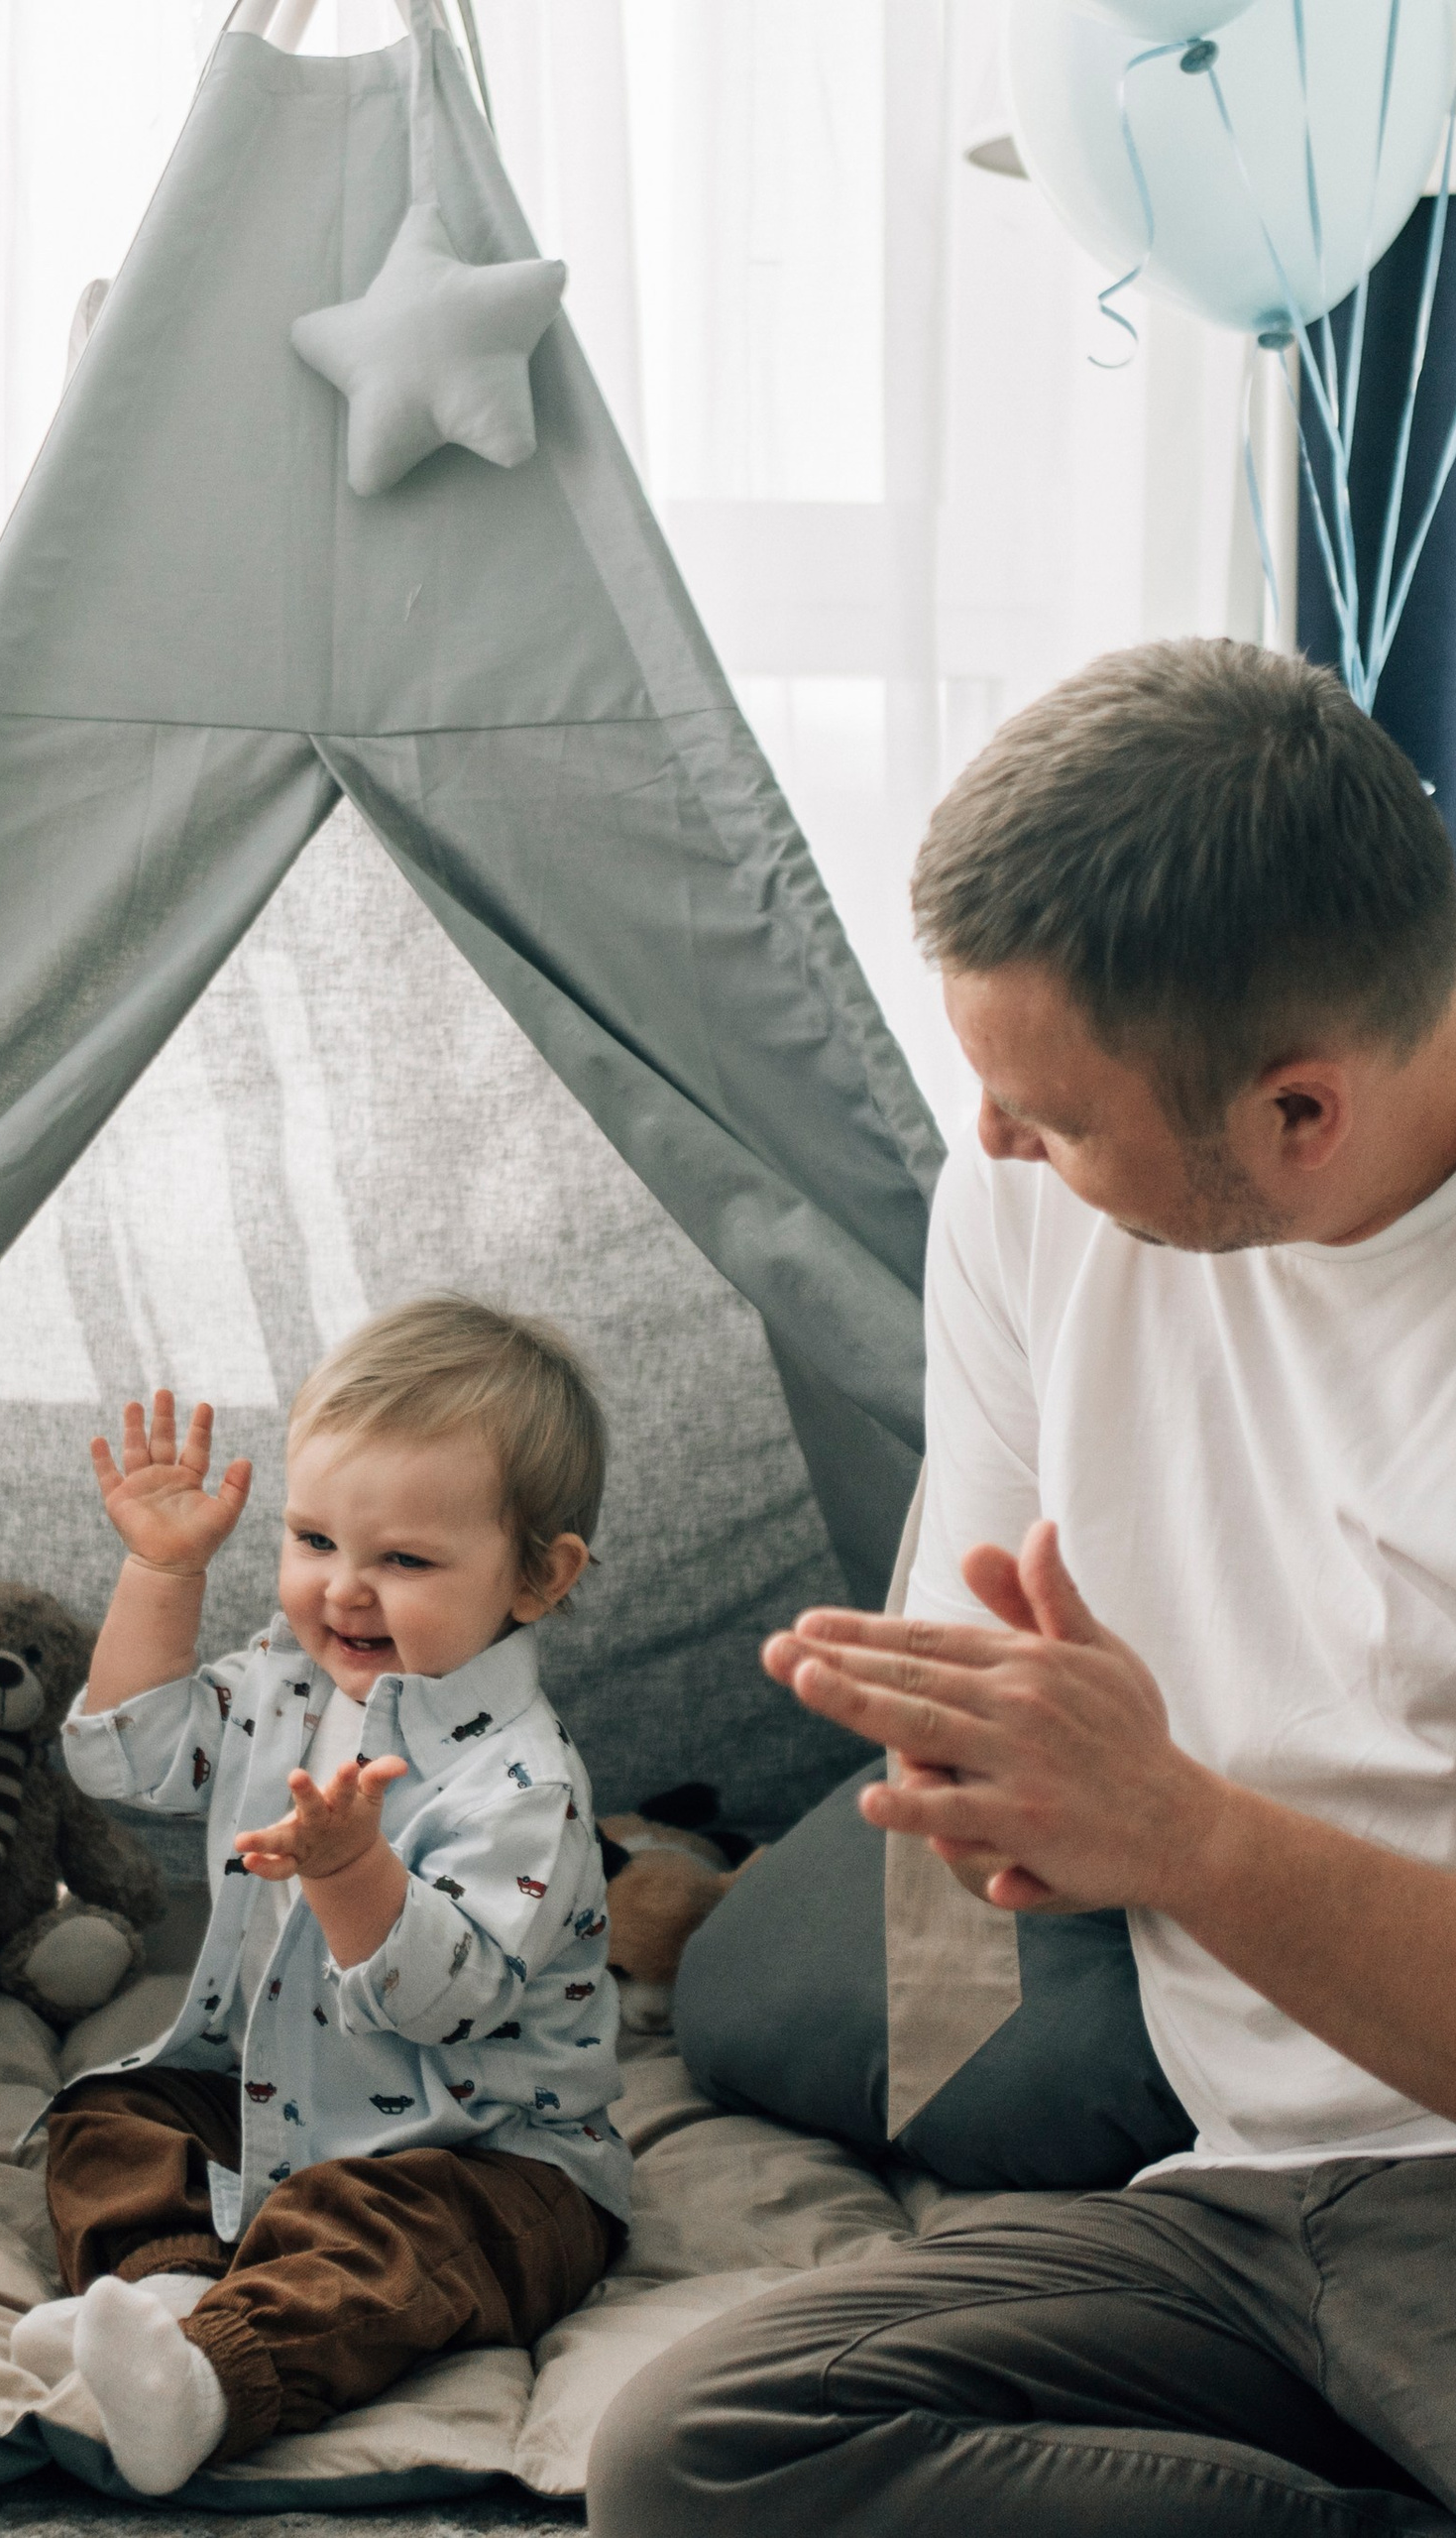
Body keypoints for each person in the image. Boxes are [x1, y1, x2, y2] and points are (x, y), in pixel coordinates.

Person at [587, 636, 1456, 2536]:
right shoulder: (1027, 1202)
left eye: (1052, 1115)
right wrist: (978, 1787)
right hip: (1227, 2173)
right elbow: (973, 1668)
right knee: (690, 2452)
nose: (990, 1146)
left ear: (1301, 1112)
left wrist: (1182, 1835)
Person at [13, 1300, 628, 2496]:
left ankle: (211, 2380)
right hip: (273, 2098)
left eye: (403, 1560)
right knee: (114, 2115)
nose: (343, 1590)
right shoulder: (282, 1681)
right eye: (310, 1538)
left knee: (399, 2241)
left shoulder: (523, 1781)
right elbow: (125, 1758)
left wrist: (351, 1872)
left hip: (486, 2149)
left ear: (539, 1578)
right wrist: (161, 1570)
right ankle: (166, 2295)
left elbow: (439, 2006)